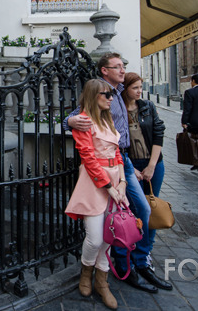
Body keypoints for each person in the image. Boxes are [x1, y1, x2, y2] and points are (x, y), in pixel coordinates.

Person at [64, 53, 157, 293]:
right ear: (104, 70)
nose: (123, 70)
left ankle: (133, 264)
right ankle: (122, 264)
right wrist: (70, 121)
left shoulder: (121, 93)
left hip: (122, 161)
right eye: (117, 66)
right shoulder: (102, 94)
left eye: (123, 66)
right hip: (105, 171)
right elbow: (78, 118)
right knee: (124, 219)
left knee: (134, 213)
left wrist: (125, 178)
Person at [64, 79, 128, 310]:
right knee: (95, 237)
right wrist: (109, 186)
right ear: (94, 95)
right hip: (94, 182)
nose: (111, 98)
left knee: (109, 236)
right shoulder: (84, 120)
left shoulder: (107, 119)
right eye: (106, 94)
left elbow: (117, 152)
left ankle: (102, 282)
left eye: (111, 94)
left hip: (114, 179)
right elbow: (88, 158)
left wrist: (122, 181)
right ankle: (86, 271)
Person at [120, 72, 173, 291]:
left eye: (140, 87)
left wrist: (151, 165)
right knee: (133, 212)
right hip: (132, 166)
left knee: (151, 208)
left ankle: (144, 258)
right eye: (135, 88)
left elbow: (159, 133)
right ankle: (129, 258)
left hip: (152, 164)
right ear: (125, 89)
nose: (139, 91)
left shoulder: (147, 107)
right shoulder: (118, 109)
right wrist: (134, 168)